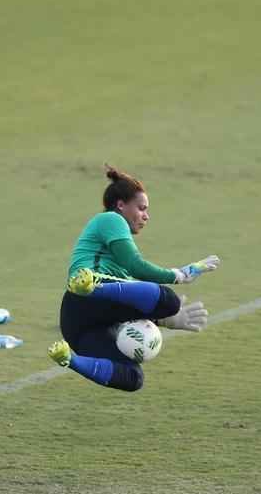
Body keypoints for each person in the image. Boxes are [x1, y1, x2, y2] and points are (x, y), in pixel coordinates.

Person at [48, 165, 221, 392]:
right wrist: (180, 275)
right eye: (141, 208)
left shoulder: (121, 277)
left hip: (78, 326)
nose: (146, 216)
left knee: (132, 377)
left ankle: (69, 359)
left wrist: (165, 320)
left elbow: (122, 305)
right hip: (90, 291)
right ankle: (92, 287)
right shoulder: (111, 219)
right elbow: (135, 264)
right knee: (170, 301)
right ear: (121, 205)